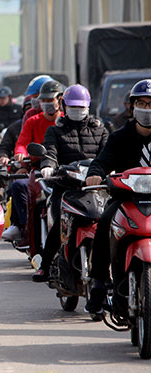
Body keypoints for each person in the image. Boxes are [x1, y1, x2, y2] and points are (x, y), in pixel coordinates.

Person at [84, 80, 151, 315]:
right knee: (104, 223)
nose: (146, 109)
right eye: (141, 103)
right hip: (126, 200)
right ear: (132, 107)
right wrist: (94, 174)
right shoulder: (119, 137)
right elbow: (102, 161)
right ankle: (100, 284)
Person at [31, 84, 108, 282]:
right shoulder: (55, 131)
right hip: (66, 188)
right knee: (60, 223)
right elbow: (50, 153)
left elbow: (108, 155)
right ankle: (45, 265)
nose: (77, 110)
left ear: (88, 107)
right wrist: (48, 166)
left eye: (81, 107)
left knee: (112, 223)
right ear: (64, 106)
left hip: (96, 189)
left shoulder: (100, 129)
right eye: (73, 107)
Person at [2, 80, 64, 241]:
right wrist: (21, 155)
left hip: (64, 171)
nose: (46, 104)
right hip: (37, 170)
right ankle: (24, 227)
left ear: (60, 99)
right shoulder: (32, 121)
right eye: (43, 100)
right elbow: (22, 143)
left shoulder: (65, 121)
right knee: (19, 186)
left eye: (50, 100)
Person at [0, 95, 34, 165]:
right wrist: (3, 157)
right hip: (20, 167)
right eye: (29, 109)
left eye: (35, 109)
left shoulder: (48, 126)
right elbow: (4, 147)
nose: (31, 112)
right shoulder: (14, 129)